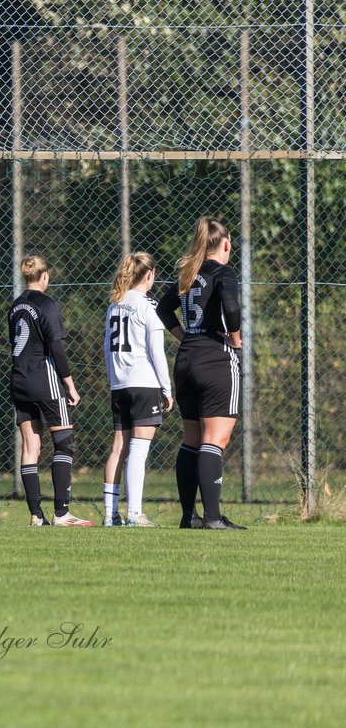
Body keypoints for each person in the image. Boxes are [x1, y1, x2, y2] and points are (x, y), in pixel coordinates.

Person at [156, 217, 246, 530]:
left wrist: (184, 336)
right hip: (215, 357)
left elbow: (162, 309)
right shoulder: (223, 272)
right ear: (225, 243)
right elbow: (231, 308)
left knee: (192, 438)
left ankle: (189, 516)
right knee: (215, 439)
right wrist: (235, 340)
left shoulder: (187, 274)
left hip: (185, 360)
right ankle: (213, 517)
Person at [8, 254, 92, 526]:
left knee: (31, 446)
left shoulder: (16, 306)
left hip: (19, 380)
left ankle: (36, 515)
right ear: (45, 276)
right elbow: (56, 348)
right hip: (44, 380)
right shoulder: (47, 304)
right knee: (64, 443)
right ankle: (61, 513)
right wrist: (70, 384)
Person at [102, 252, 173, 528]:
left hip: (119, 385)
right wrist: (167, 389)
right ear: (149, 275)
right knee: (139, 449)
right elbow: (157, 353)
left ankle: (110, 515)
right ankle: (134, 513)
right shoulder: (147, 306)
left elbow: (107, 348)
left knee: (118, 447)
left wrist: (113, 380)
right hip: (144, 383)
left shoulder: (114, 304)